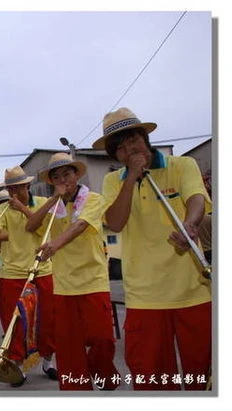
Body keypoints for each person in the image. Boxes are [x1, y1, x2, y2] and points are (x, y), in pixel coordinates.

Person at [93, 107, 212, 390]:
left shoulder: (181, 165)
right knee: (151, 377)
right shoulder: (113, 181)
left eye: (132, 139)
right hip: (144, 297)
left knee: (204, 374)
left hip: (192, 292)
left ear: (144, 138)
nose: (128, 149)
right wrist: (131, 177)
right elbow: (115, 222)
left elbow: (196, 198)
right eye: (119, 147)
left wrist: (190, 225)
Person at [27, 152, 120, 391]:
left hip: (94, 281)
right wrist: (51, 200)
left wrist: (55, 244)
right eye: (56, 177)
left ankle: (103, 374)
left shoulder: (94, 199)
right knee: (68, 346)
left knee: (102, 340)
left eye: (67, 173)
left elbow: (80, 226)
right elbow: (31, 225)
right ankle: (75, 390)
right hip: (64, 286)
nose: (62, 180)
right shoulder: (53, 208)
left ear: (76, 175)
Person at [0, 166, 58, 385]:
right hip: (12, 273)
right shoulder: (4, 209)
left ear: (27, 185)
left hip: (42, 270)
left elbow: (43, 229)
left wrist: (23, 208)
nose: (14, 192)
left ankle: (48, 362)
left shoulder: (44, 202)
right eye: (10, 188)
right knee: (13, 321)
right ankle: (17, 365)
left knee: (48, 319)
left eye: (18, 187)